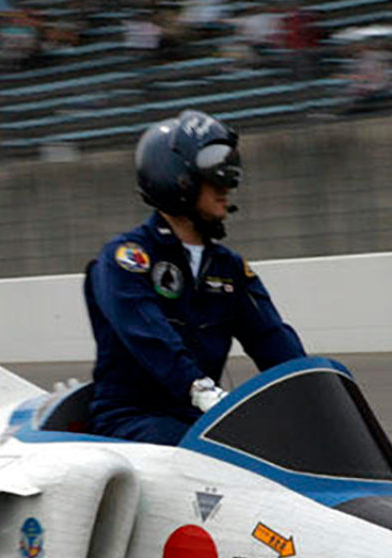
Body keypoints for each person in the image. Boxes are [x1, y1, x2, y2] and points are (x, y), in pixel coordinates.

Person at [84, 109, 305, 446]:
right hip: (131, 421)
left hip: (200, 421)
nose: (227, 185)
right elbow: (150, 336)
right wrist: (201, 391)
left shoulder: (230, 269)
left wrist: (310, 389)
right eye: (214, 174)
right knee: (215, 456)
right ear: (177, 178)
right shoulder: (128, 259)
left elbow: (273, 340)